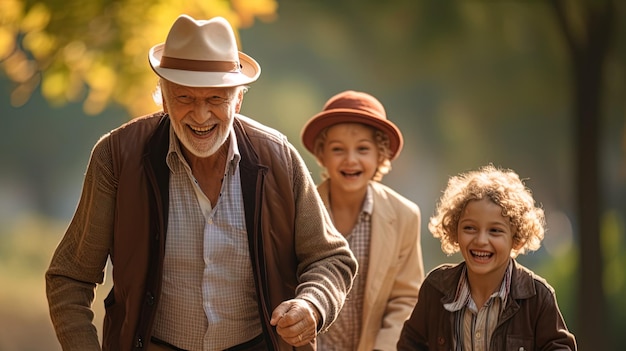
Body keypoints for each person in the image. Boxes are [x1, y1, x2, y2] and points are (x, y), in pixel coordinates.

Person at [45, 14, 358, 351]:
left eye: (215, 99)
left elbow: (331, 259)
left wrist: (312, 305)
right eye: (185, 99)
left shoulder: (278, 159)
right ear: (163, 98)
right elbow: (70, 278)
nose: (201, 115)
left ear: (238, 100)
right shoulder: (117, 157)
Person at [397, 164, 577, 350]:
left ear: (515, 238)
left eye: (495, 231)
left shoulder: (537, 296)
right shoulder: (436, 288)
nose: (481, 240)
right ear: (454, 231)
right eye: (470, 228)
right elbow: (411, 343)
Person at [300, 90, 425, 351]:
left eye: (363, 149)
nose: (351, 160)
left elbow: (405, 299)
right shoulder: (300, 207)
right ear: (322, 154)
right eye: (337, 149)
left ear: (381, 155)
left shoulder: (404, 215)